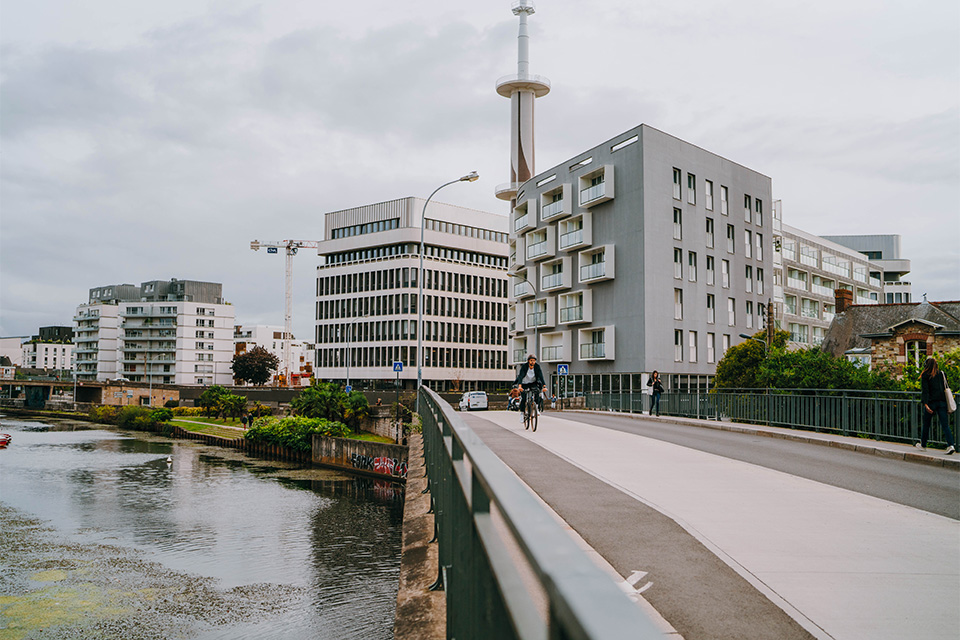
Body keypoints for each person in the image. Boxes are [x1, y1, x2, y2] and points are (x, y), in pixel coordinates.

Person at [916, 357, 956, 454]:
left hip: (931, 403)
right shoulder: (942, 374)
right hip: (942, 402)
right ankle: (951, 445)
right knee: (945, 425)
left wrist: (925, 404)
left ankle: (923, 444)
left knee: (926, 424)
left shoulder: (926, 375)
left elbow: (925, 391)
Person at [514, 354, 546, 419]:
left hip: (533, 383)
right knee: (524, 398)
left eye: (534, 361)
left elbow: (541, 376)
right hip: (524, 383)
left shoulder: (537, 367)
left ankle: (536, 408)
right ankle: (522, 413)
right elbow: (520, 376)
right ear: (528, 361)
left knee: (537, 392)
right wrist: (520, 386)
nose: (532, 362)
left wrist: (544, 386)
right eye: (531, 360)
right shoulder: (524, 367)